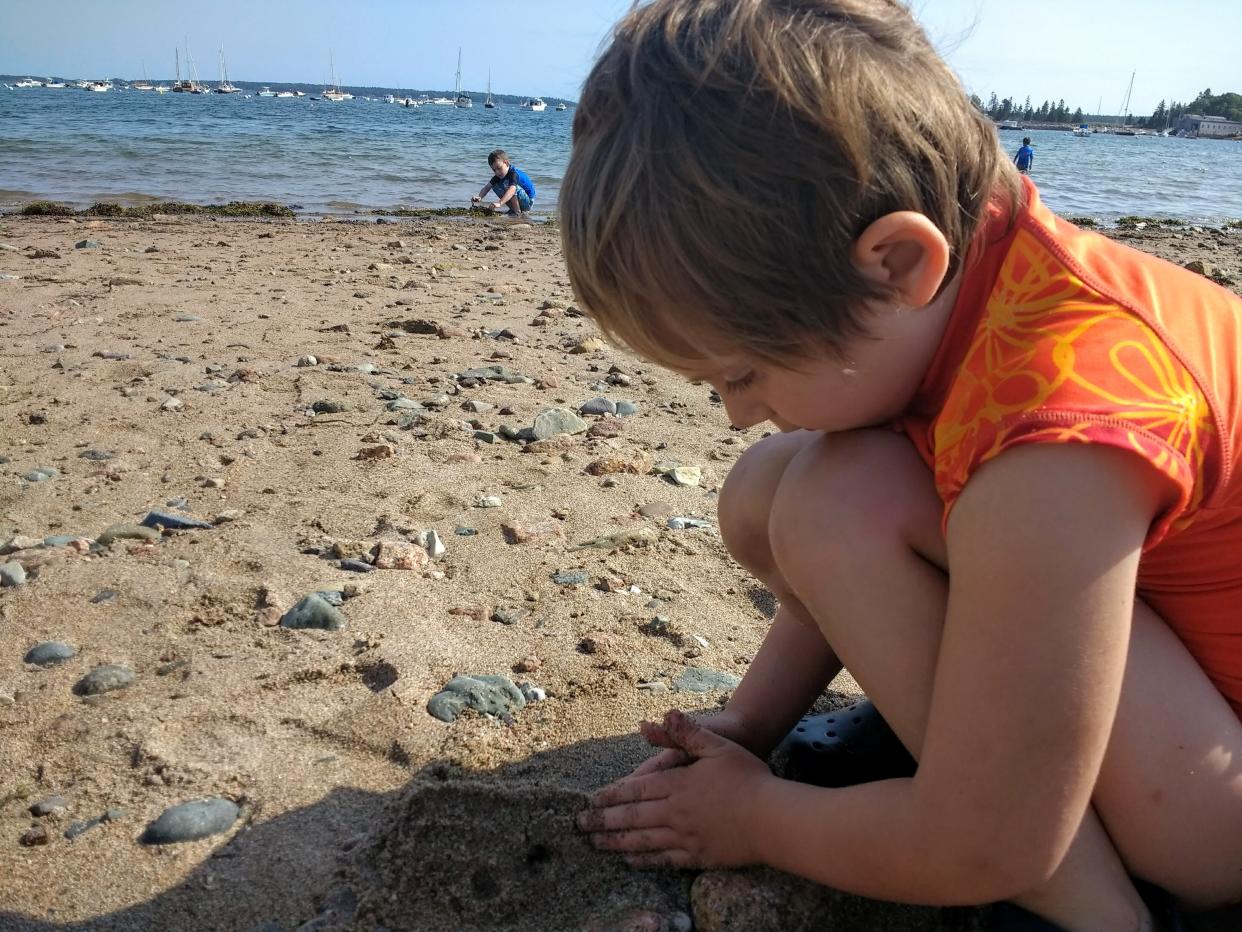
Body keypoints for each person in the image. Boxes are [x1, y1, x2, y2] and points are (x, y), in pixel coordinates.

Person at [560, 1, 1242, 929]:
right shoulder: (978, 265)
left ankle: (1095, 913)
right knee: (776, 487)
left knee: (836, 498)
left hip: (1216, 811)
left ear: (894, 263)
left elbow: (991, 840)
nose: (737, 413)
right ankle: (986, 763)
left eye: (744, 373)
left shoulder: (1056, 427)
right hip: (1185, 689)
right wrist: (754, 725)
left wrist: (761, 818)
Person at [471, 149, 535, 216]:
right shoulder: (499, 175)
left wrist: (500, 203)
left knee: (511, 188)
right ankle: (513, 209)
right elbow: (487, 187)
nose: (497, 172)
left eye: (499, 168)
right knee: (495, 185)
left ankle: (517, 212)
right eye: (494, 170)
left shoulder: (513, 173)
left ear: (506, 163)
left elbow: (512, 190)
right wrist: (479, 197)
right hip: (518, 198)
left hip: (528, 201)